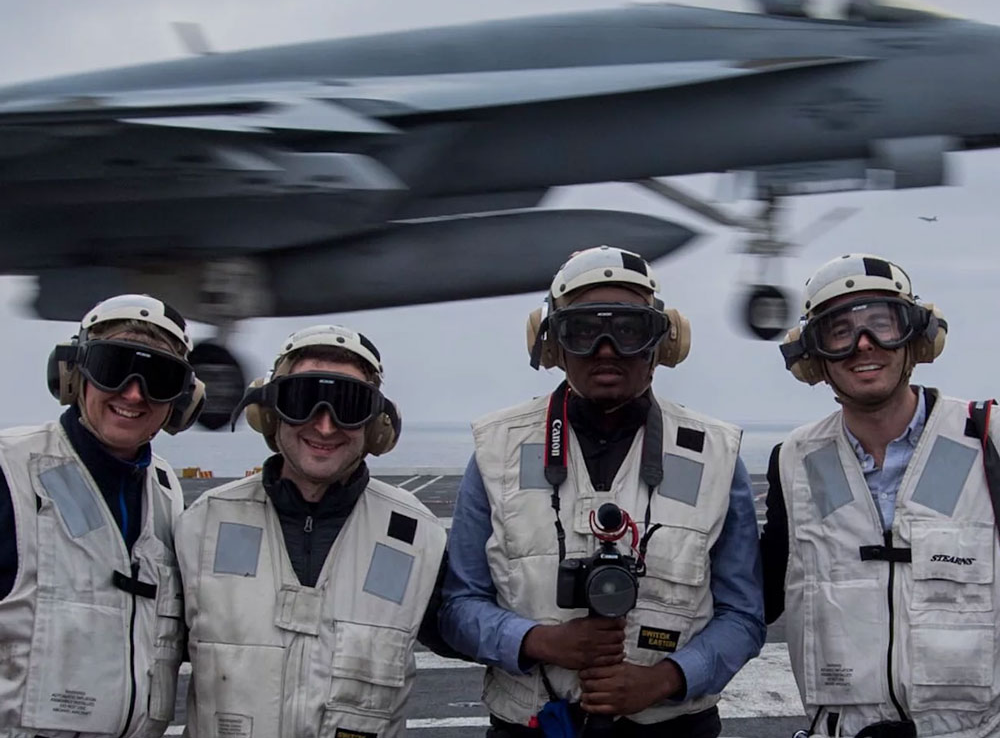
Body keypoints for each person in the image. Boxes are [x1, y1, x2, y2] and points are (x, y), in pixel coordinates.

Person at [440, 245, 766, 737]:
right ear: (553, 345)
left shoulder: (716, 455)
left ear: (663, 343)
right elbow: (458, 604)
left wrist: (665, 679)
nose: (607, 349)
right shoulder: (497, 450)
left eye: (630, 330)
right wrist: (539, 642)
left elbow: (743, 615)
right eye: (584, 331)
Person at [761, 253, 1000, 737]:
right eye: (839, 331)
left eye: (880, 324)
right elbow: (754, 600)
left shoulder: (986, 441)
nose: (863, 345)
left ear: (916, 336)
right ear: (814, 357)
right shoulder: (797, 460)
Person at [175, 324, 447, 738]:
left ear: (377, 427)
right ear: (268, 413)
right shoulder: (203, 525)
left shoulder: (418, 540)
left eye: (349, 405)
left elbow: (474, 626)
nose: (324, 426)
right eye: (302, 401)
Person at [0, 294, 204, 737]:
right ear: (74, 376)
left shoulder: (167, 495)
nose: (133, 393)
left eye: (158, 377)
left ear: (182, 401)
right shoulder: (9, 470)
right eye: (114, 368)